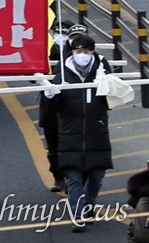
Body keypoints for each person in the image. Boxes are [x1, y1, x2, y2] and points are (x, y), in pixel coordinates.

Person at [44, 33, 114, 232]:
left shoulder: (101, 70)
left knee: (97, 176)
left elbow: (114, 100)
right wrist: (50, 96)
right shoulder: (63, 72)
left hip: (96, 132)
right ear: (72, 52)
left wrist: (106, 83)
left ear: (92, 53)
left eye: (85, 52)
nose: (81, 55)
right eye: (77, 51)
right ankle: (78, 215)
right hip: (70, 132)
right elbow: (54, 108)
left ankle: (88, 206)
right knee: (74, 178)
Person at [38, 20, 74, 193]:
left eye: (65, 32)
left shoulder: (77, 52)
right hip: (50, 106)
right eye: (58, 32)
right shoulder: (46, 49)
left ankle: (72, 177)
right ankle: (58, 177)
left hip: (71, 107)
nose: (61, 35)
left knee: (71, 146)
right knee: (53, 148)